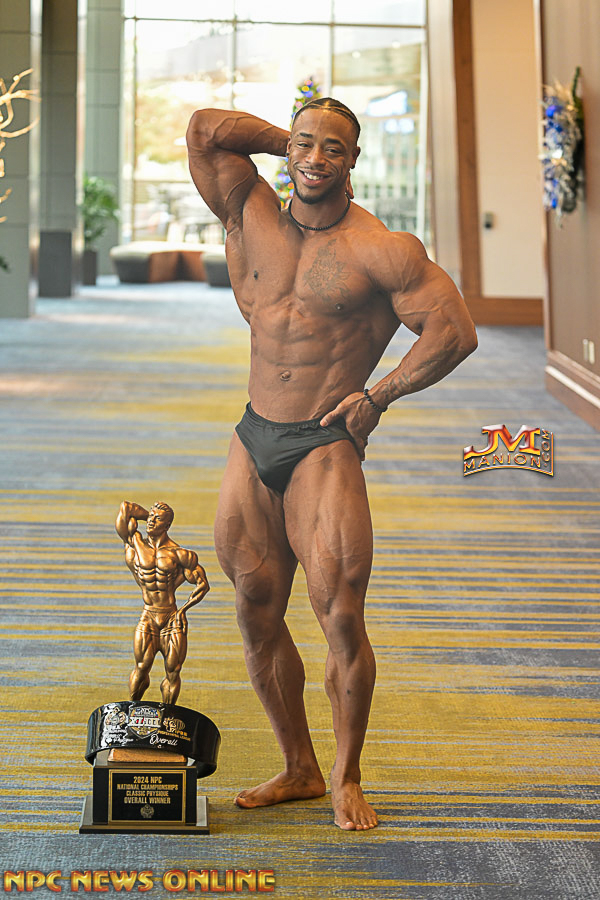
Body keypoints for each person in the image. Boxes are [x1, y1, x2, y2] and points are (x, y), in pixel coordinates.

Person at [186, 98, 477, 830]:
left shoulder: (381, 249)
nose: (316, 160)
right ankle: (300, 768)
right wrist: (291, 139)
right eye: (305, 146)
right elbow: (205, 129)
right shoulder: (248, 207)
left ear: (354, 161)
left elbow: (454, 331)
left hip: (323, 442)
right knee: (255, 609)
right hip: (253, 434)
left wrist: (379, 395)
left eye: (333, 149)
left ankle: (346, 777)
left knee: (339, 614)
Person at [115, 500, 209, 705]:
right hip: (148, 616)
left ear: (167, 525)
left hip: (171, 618)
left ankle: (168, 715)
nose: (151, 521)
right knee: (141, 667)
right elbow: (125, 508)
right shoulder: (134, 543)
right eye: (150, 517)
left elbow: (203, 585)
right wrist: (150, 514)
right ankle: (132, 710)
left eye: (157, 519)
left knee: (173, 671)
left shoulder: (180, 554)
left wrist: (183, 611)